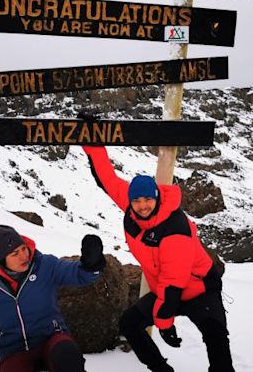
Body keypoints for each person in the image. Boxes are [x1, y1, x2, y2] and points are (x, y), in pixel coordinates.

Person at [80, 146, 234, 372]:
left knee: (217, 338)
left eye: (147, 200)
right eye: (137, 201)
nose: (142, 206)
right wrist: (92, 142)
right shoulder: (134, 208)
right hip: (164, 289)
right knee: (129, 324)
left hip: (199, 289)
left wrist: (164, 324)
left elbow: (173, 285)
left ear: (157, 198)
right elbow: (107, 178)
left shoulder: (175, 229)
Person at [0, 224, 105, 372]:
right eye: (15, 254)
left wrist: (91, 264)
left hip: (52, 338)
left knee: (67, 355)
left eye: (23, 249)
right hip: (14, 349)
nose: (24, 256)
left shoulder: (45, 265)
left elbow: (80, 275)